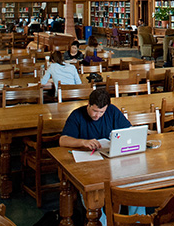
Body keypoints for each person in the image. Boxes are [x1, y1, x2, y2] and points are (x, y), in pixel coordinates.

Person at [59, 89, 140, 225]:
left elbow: (128, 131)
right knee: (93, 193)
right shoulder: (77, 115)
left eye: (101, 112)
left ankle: (137, 221)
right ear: (88, 105)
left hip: (111, 163)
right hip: (88, 166)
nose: (97, 115)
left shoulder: (112, 111)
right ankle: (101, 223)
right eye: (95, 111)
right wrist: (83, 142)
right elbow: (63, 140)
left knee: (136, 185)